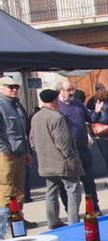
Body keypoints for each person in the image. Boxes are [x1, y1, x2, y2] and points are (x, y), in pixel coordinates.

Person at [29, 89, 82, 229]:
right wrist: (70, 158)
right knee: (73, 189)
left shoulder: (36, 117)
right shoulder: (56, 117)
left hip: (45, 162)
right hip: (62, 162)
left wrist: (42, 153)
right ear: (53, 102)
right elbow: (63, 142)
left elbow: (32, 140)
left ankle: (52, 221)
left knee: (51, 191)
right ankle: (73, 221)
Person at [57, 79, 101, 214]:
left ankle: (94, 208)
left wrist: (97, 112)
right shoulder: (56, 106)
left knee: (89, 181)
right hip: (67, 152)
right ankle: (70, 211)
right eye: (69, 90)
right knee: (67, 185)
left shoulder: (77, 103)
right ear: (61, 91)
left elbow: (91, 118)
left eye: (73, 89)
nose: (72, 92)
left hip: (82, 149)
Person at [0, 76, 35, 223]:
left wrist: (27, 151)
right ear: (1, 88)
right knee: (6, 188)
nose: (14, 89)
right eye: (10, 87)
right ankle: (5, 221)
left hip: (20, 152)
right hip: (6, 154)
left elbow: (23, 131)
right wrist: (3, 149)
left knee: (19, 189)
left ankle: (18, 217)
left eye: (16, 87)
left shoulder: (18, 105)